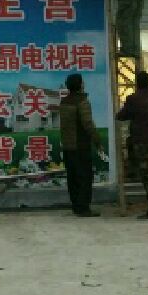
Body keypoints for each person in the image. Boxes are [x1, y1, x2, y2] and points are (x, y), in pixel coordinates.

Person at [117, 71, 148, 220]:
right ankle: (134, 170)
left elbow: (121, 116)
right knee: (146, 169)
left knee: (147, 176)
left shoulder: (134, 99)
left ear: (137, 83)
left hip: (141, 141)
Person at [59, 73, 102, 218]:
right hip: (81, 145)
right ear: (81, 85)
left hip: (67, 146)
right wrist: (97, 140)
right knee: (85, 177)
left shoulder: (64, 102)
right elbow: (88, 124)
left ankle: (76, 206)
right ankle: (84, 208)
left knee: (72, 177)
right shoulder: (83, 102)